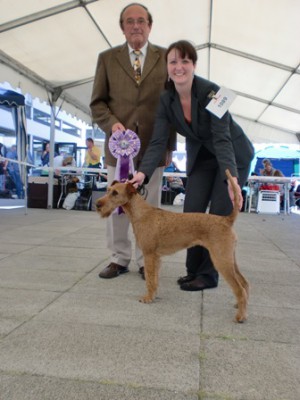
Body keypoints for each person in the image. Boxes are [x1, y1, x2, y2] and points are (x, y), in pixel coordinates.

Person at [130, 40, 254, 291]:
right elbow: (158, 141)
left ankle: (208, 276)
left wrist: (232, 181)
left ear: (194, 65)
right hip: (201, 158)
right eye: (173, 61)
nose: (179, 67)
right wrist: (141, 172)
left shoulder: (213, 93)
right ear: (167, 67)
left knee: (218, 215)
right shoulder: (166, 99)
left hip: (231, 155)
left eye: (185, 61)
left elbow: (222, 139)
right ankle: (193, 271)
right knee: (192, 209)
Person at [90, 3, 176, 280]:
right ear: (122, 27)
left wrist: (170, 147)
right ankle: (119, 258)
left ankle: (144, 260)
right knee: (116, 204)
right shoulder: (106, 58)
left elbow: (173, 104)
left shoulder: (165, 57)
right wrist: (111, 123)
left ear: (150, 25)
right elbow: (97, 103)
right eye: (130, 21)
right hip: (119, 150)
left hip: (153, 148)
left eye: (141, 21)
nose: (136, 25)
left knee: (149, 208)